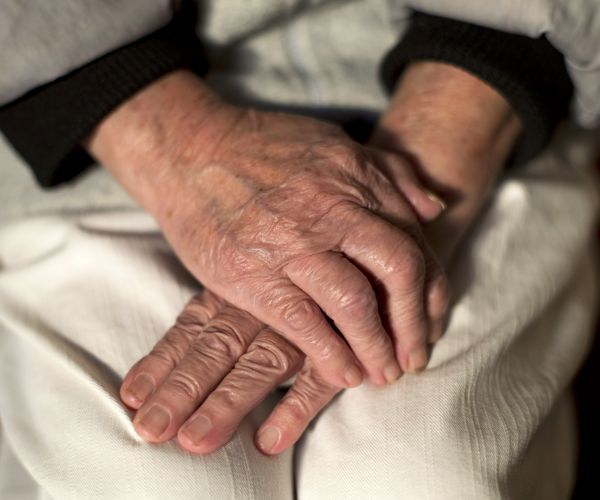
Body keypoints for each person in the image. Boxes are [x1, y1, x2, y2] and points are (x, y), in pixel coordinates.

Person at [0, 1, 598, 498]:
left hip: (491, 110)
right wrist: (177, 144)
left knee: (417, 480)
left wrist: (399, 207)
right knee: (153, 483)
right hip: (88, 145)